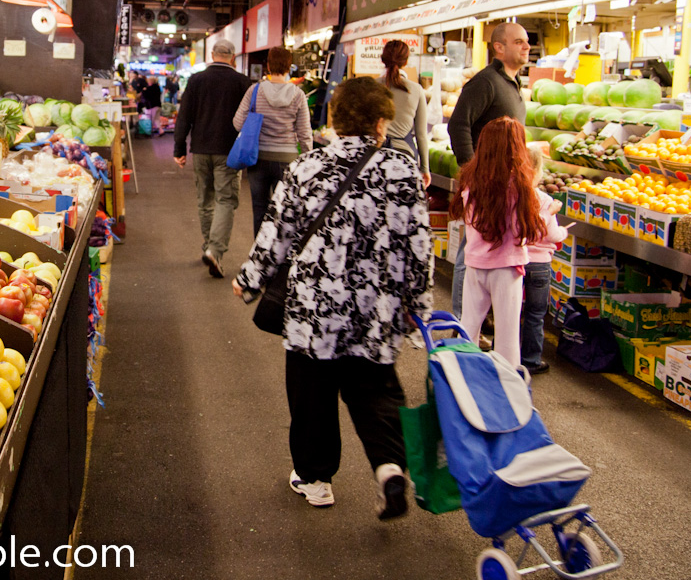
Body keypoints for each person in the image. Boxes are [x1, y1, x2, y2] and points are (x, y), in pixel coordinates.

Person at [231, 77, 434, 518]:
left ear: (335, 120)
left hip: (313, 309)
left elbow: (276, 234)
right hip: (375, 309)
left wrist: (250, 279)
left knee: (311, 394)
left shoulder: (306, 168)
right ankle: (388, 468)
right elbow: (419, 248)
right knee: (375, 391)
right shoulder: (402, 172)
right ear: (382, 123)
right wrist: (418, 308)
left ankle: (315, 478)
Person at [447, 22, 531, 317]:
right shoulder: (485, 82)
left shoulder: (513, 83)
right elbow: (458, 124)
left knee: (490, 252)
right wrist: (472, 173)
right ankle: (462, 318)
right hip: (485, 182)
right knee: (471, 251)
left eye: (527, 42)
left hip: (507, 185)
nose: (526, 46)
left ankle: (482, 320)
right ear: (499, 47)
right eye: (519, 41)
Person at [448, 117, 546, 368]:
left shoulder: (470, 179)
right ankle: (507, 388)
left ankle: (457, 378)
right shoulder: (518, 184)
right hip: (507, 268)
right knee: (507, 334)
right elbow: (522, 230)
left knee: (468, 326)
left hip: (475, 265)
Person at [173, 40, 253, 277]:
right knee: (226, 200)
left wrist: (179, 148)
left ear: (212, 54)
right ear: (232, 56)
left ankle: (209, 245)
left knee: (205, 200)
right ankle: (215, 251)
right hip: (229, 152)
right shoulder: (242, 82)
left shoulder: (196, 80)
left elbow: (184, 115)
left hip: (200, 149)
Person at [232, 46, 312, 236]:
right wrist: (308, 159)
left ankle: (259, 259)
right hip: (287, 160)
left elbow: (237, 122)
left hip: (257, 158)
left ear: (267, 65)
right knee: (284, 210)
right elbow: (304, 132)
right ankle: (280, 259)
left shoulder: (255, 91)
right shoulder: (298, 95)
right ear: (289, 67)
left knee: (260, 208)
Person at [523, 149, 569, 375]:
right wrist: (563, 232)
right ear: (537, 171)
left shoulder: (513, 195)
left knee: (511, 311)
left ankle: (503, 354)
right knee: (535, 314)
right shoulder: (544, 200)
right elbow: (551, 235)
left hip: (518, 261)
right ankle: (531, 359)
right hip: (540, 264)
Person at [380, 39, 431, 188]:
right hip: (405, 156)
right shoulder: (416, 89)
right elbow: (421, 135)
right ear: (406, 61)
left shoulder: (372, 87)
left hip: (374, 154)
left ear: (383, 59)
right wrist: (425, 169)